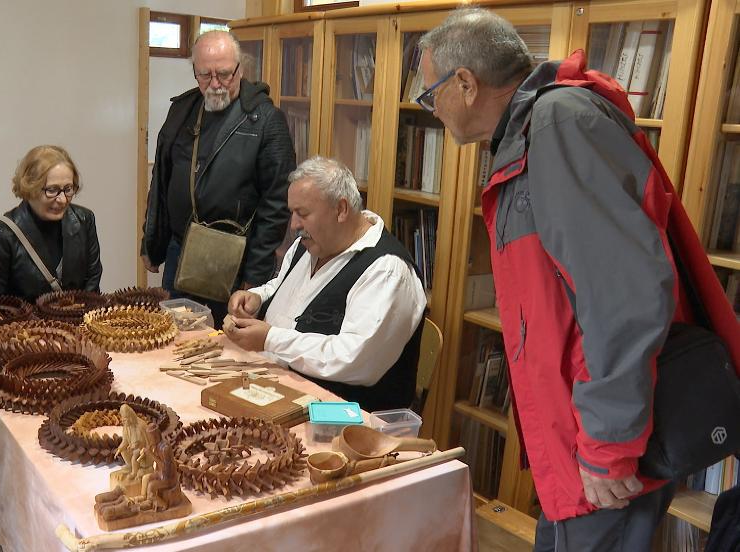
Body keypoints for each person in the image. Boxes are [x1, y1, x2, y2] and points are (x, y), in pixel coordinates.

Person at [418, 8, 740, 550]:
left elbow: (624, 297)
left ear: (467, 84)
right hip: (582, 424)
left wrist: (607, 446)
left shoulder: (559, 124)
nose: (430, 110)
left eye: (431, 95)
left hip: (600, 439)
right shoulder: (535, 129)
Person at [225, 156, 427, 412]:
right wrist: (257, 297)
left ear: (341, 210)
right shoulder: (309, 245)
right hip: (278, 391)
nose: (294, 225)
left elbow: (355, 359)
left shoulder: (387, 271)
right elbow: (287, 287)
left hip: (349, 423)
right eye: (292, 213)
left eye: (303, 214)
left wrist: (270, 339)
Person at [141, 30, 296, 325]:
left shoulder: (265, 119)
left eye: (224, 74)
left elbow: (277, 204)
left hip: (235, 260)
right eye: (205, 75)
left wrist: (255, 276)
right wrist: (150, 241)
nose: (215, 84)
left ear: (240, 70)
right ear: (195, 72)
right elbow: (161, 180)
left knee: (227, 347)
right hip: (180, 251)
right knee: (178, 339)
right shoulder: (182, 109)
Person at [0, 145, 102, 302]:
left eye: (68, 189)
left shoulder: (85, 220)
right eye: (52, 190)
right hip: (22, 326)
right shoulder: (2, 235)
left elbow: (91, 289)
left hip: (77, 324)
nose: (63, 199)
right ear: (30, 188)